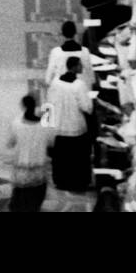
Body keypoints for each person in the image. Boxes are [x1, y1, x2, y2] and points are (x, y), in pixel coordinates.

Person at [45, 56, 93, 193]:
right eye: (80, 65)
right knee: (77, 158)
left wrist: (46, 127)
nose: (82, 67)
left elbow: (48, 103)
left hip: (59, 127)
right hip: (75, 126)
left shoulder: (55, 83)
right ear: (74, 67)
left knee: (61, 158)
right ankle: (77, 182)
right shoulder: (80, 85)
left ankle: (60, 181)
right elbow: (86, 107)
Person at [7, 94, 52, 212]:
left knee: (21, 189)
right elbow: (51, 142)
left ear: (23, 106)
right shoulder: (44, 124)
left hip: (22, 160)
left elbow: (11, 142)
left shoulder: (16, 123)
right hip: (39, 160)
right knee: (37, 187)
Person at [44, 21, 95, 89]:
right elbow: (91, 76)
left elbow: (48, 77)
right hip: (80, 89)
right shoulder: (85, 51)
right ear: (75, 32)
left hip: (62, 89)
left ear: (62, 33)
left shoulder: (56, 52)